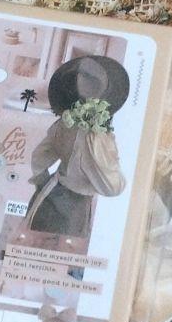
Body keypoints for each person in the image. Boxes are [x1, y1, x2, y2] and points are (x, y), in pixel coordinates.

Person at [23, 55, 128, 239]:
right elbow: (113, 187)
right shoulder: (95, 138)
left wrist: (42, 183)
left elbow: (39, 156)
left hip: (46, 197)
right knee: (55, 252)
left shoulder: (63, 124)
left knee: (31, 243)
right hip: (70, 212)